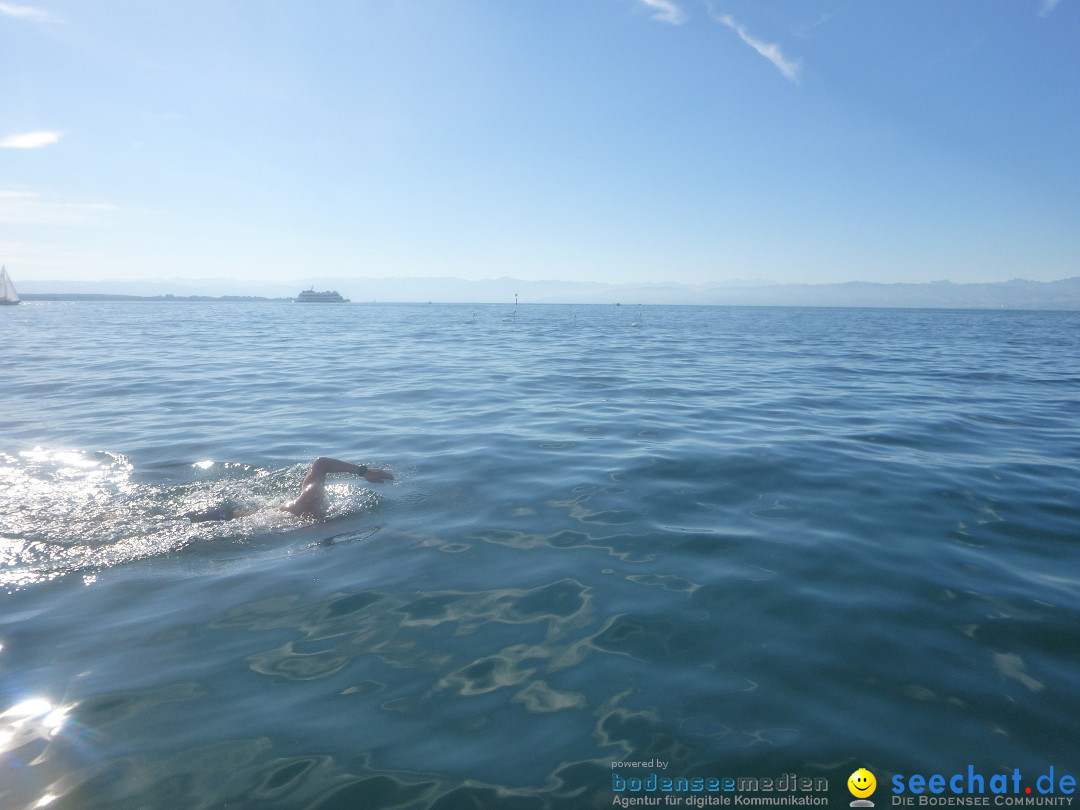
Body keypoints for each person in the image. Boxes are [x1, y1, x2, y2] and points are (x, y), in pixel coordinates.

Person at [186, 457, 393, 523]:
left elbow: (321, 463)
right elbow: (320, 464)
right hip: (225, 522)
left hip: (230, 515)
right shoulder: (308, 509)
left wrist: (363, 472)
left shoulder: (309, 504)